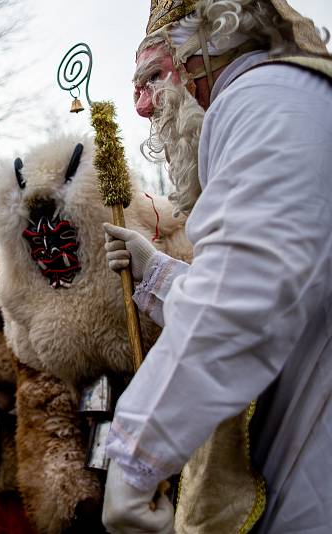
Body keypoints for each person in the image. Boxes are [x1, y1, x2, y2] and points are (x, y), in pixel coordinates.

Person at [99, 1, 332, 533]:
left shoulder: (264, 97)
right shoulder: (287, 99)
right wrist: (155, 272)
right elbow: (279, 294)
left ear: (209, 45)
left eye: (155, 76)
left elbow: (243, 299)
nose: (141, 107)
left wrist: (137, 455)